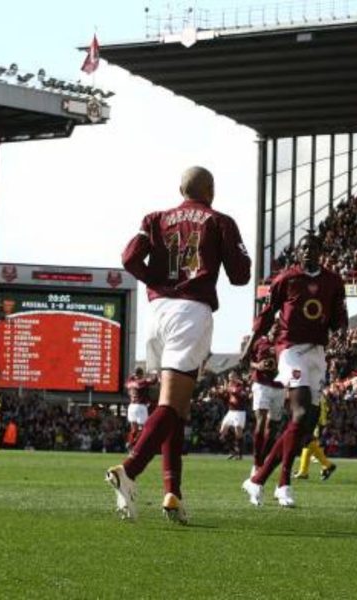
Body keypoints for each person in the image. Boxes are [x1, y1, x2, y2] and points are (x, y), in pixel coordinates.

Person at [107, 165, 251, 524]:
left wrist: (155, 278)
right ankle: (130, 469)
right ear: (211, 190)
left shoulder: (156, 218)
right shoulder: (220, 220)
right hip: (191, 310)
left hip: (157, 311)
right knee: (173, 403)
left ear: (180, 188)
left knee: (177, 407)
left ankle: (173, 493)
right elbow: (240, 275)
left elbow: (128, 258)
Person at [240, 232, 348, 508]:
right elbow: (266, 315)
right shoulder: (286, 279)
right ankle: (283, 482)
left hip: (317, 353)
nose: (309, 251)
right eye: (304, 247)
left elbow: (339, 318)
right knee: (299, 413)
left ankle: (259, 480)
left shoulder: (333, 281)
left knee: (305, 425)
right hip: (290, 349)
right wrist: (249, 346)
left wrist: (343, 330)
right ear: (298, 253)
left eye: (313, 246)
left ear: (321, 250)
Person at [248, 326, 285, 475]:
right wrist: (258, 365)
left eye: (278, 333)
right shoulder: (259, 342)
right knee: (261, 421)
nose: (275, 334)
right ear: (269, 331)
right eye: (273, 331)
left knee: (274, 426)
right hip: (261, 384)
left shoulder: (284, 345)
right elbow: (248, 360)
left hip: (279, 386)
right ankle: (257, 463)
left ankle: (262, 460)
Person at [295, 393, 337, 480]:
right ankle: (306, 471)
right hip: (319, 422)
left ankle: (326, 466)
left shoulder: (313, 393)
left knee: (308, 442)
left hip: (316, 422)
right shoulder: (320, 394)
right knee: (309, 444)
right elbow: (328, 408)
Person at [219, 371, 248, 460]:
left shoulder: (240, 385)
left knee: (238, 432)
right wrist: (220, 393)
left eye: (232, 377)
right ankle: (232, 451)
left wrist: (231, 389)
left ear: (236, 377)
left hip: (239, 411)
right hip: (231, 411)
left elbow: (243, 395)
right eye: (229, 377)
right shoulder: (229, 387)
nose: (230, 379)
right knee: (223, 430)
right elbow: (226, 398)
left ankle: (239, 453)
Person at [125, 368, 156, 451]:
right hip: (140, 406)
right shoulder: (142, 382)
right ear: (140, 374)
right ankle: (135, 444)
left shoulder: (129, 382)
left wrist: (133, 375)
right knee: (143, 428)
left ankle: (130, 443)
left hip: (131, 406)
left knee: (133, 429)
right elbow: (153, 381)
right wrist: (154, 374)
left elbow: (129, 380)